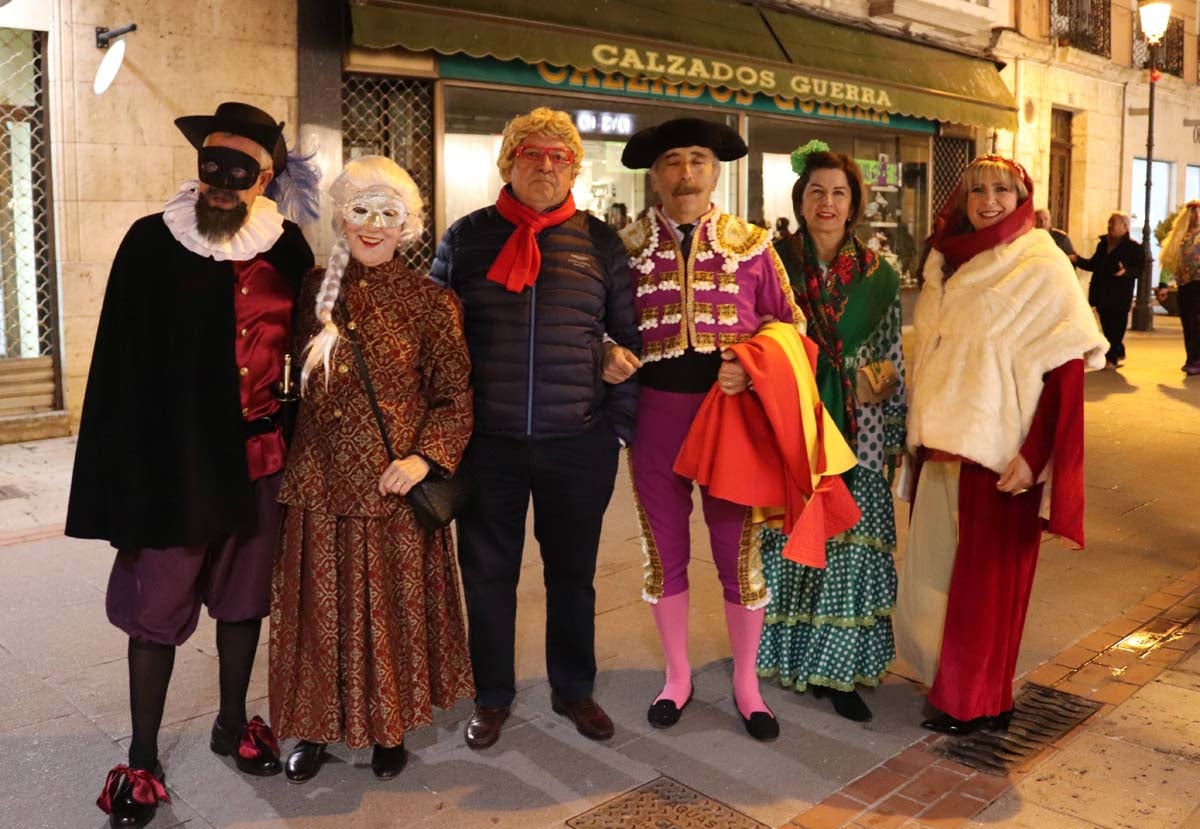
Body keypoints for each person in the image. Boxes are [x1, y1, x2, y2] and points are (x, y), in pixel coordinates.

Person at [66, 102, 316, 827]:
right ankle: (142, 756)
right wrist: (122, 487)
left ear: (266, 178)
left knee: (244, 600)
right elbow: (116, 370)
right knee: (158, 609)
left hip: (263, 458)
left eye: (240, 171)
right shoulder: (151, 242)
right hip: (173, 466)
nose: (221, 184)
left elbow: (310, 343)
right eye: (212, 165)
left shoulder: (288, 248)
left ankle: (232, 720)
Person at [431, 107, 640, 749]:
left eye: (559, 157)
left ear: (574, 166)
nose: (545, 166)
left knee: (571, 574)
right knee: (488, 575)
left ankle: (573, 689)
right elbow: (434, 343)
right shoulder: (465, 239)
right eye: (532, 154)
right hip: (487, 446)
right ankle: (491, 696)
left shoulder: (601, 242)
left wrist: (615, 431)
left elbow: (632, 343)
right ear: (509, 162)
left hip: (577, 443)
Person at [269, 156, 474, 782]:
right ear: (341, 216)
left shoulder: (432, 302)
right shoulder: (312, 290)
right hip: (318, 484)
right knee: (319, 617)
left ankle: (388, 728)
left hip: (392, 488)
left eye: (390, 214)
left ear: (407, 225)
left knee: (390, 616)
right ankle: (317, 729)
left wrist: (422, 459)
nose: (375, 226)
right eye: (362, 211)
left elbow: (456, 395)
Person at [895, 156, 1106, 736]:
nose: (988, 199)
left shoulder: (1042, 262)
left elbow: (1063, 371)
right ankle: (957, 685)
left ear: (1022, 197)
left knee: (988, 587)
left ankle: (975, 700)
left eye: (1001, 190)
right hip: (941, 448)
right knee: (940, 578)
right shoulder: (947, 259)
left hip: (1000, 454)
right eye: (977, 190)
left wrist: (1033, 457)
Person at [608, 117, 803, 742]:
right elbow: (598, 323)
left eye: (696, 160)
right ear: (654, 174)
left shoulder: (751, 243)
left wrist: (752, 365)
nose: (685, 173)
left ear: (716, 170)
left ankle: (746, 686)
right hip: (656, 418)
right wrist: (606, 352)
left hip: (729, 421)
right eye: (671, 161)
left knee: (737, 555)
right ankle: (677, 676)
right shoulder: (625, 245)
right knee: (662, 555)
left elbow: (789, 325)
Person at [756, 142, 906, 723]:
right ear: (800, 200)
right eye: (816, 191)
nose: (827, 202)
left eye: (838, 193)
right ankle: (791, 659)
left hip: (858, 430)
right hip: (791, 421)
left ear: (853, 205)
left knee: (847, 545)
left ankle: (838, 673)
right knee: (790, 543)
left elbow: (892, 353)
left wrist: (892, 425)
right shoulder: (773, 264)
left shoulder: (879, 275)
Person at [1072, 211, 1144, 369]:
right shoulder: (1103, 245)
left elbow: (1139, 270)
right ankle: (1117, 351)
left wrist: (1126, 272)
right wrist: (1077, 260)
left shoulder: (1134, 247)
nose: (1110, 226)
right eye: (1109, 222)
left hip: (1120, 296)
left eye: (1113, 223)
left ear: (1125, 226)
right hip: (1102, 294)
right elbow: (1094, 264)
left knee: (1116, 327)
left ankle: (1111, 359)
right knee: (1107, 327)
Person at [1158, 200, 1200, 374]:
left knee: (1197, 322)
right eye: (1194, 212)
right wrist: (1163, 285)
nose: (1197, 216)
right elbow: (1169, 262)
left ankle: (1196, 360)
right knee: (1189, 323)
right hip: (1185, 285)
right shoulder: (1180, 239)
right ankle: (1192, 358)